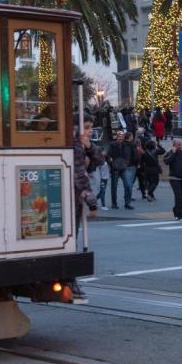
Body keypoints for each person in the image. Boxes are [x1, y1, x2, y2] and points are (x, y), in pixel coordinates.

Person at [71, 116, 99, 304]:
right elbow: (79, 175)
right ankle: (69, 279)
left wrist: (89, 147)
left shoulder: (83, 145)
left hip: (74, 198)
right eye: (87, 127)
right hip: (73, 198)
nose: (90, 131)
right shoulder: (75, 147)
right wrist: (92, 202)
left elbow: (101, 159)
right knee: (71, 239)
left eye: (90, 127)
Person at [163, 139, 182, 221]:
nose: (180, 146)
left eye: (180, 145)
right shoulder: (170, 153)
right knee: (178, 196)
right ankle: (180, 215)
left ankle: (176, 209)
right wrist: (174, 153)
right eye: (178, 145)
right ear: (174, 145)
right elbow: (166, 161)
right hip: (174, 178)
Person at [107, 130, 136, 210]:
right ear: (117, 136)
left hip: (123, 167)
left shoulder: (127, 145)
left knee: (127, 185)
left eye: (122, 136)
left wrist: (127, 163)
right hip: (116, 168)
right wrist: (111, 164)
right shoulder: (113, 144)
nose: (120, 138)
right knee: (114, 186)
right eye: (119, 136)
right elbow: (108, 155)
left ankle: (127, 202)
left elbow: (129, 155)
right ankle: (114, 203)